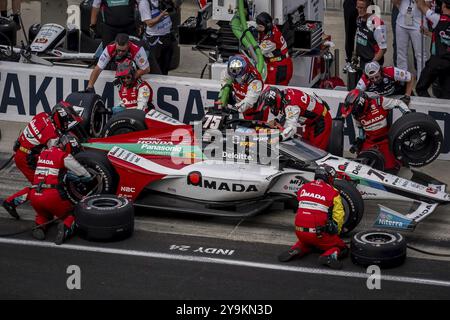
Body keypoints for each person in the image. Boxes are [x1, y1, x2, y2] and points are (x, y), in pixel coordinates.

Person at [1, 102, 82, 219]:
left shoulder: (42, 115)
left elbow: (28, 130)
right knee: (41, 187)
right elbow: (53, 155)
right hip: (28, 159)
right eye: (66, 121)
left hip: (22, 150)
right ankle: (11, 202)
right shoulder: (52, 135)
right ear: (59, 118)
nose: (67, 124)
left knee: (41, 186)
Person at [278, 165, 347, 270]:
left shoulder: (304, 187)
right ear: (328, 177)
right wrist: (336, 230)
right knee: (342, 248)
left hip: (299, 231)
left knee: (308, 242)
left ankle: (296, 248)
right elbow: (339, 214)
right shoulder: (333, 192)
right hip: (318, 233)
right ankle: (328, 256)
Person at [29, 136, 92, 245]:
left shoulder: (42, 153)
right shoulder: (63, 155)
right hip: (52, 196)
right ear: (64, 145)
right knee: (74, 213)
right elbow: (85, 174)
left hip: (34, 196)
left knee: (44, 214)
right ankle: (66, 227)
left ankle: (40, 226)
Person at [341, 89, 411, 173]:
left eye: (355, 110)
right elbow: (359, 128)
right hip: (369, 142)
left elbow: (399, 103)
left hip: (385, 141)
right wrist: (358, 141)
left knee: (390, 169)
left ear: (362, 103)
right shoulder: (356, 114)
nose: (354, 113)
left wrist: (407, 114)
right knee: (360, 167)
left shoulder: (379, 102)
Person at [257, 86, 332, 150]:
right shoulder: (284, 95)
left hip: (321, 121)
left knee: (315, 151)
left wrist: (278, 138)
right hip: (311, 122)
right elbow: (285, 112)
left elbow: (292, 129)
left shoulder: (291, 105)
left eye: (271, 106)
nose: (271, 109)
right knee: (306, 147)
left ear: (275, 101)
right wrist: (277, 121)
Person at [415, 0, 450, 97]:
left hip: (436, 61)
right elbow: (444, 37)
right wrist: (427, 33)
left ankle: (427, 109)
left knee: (420, 87)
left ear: (443, 6)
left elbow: (421, 6)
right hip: (448, 62)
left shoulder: (437, 18)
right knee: (446, 93)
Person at [219, 54, 265, 121]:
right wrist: (226, 88)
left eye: (239, 76)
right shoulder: (232, 70)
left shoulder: (255, 81)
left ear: (246, 70)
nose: (236, 78)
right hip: (238, 105)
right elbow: (224, 78)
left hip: (255, 111)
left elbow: (249, 101)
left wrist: (235, 108)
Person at [255, 12, 293, 85]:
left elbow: (257, 52)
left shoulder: (271, 40)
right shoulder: (271, 28)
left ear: (267, 26)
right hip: (276, 64)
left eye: (260, 26)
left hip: (280, 67)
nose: (258, 28)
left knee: (273, 90)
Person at [394, 0, 428, 79]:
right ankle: (402, 80)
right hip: (401, 22)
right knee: (400, 53)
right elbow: (395, 2)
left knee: (421, 55)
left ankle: (421, 83)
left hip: (418, 23)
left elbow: (428, 5)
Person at [139, 0, 175, 75]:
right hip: (155, 40)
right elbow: (149, 23)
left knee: (166, 67)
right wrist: (162, 15)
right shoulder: (144, 3)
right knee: (156, 69)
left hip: (167, 36)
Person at [355, 0, 388, 69]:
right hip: (362, 60)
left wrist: (371, 64)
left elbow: (383, 49)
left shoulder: (377, 23)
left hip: (373, 62)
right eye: (358, 7)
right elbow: (359, 38)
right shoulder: (359, 19)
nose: (359, 10)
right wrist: (355, 55)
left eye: (362, 8)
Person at [343, 0, 359, 72]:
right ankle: (349, 61)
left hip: (367, 3)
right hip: (350, 3)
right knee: (349, 34)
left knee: (369, 32)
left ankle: (368, 61)